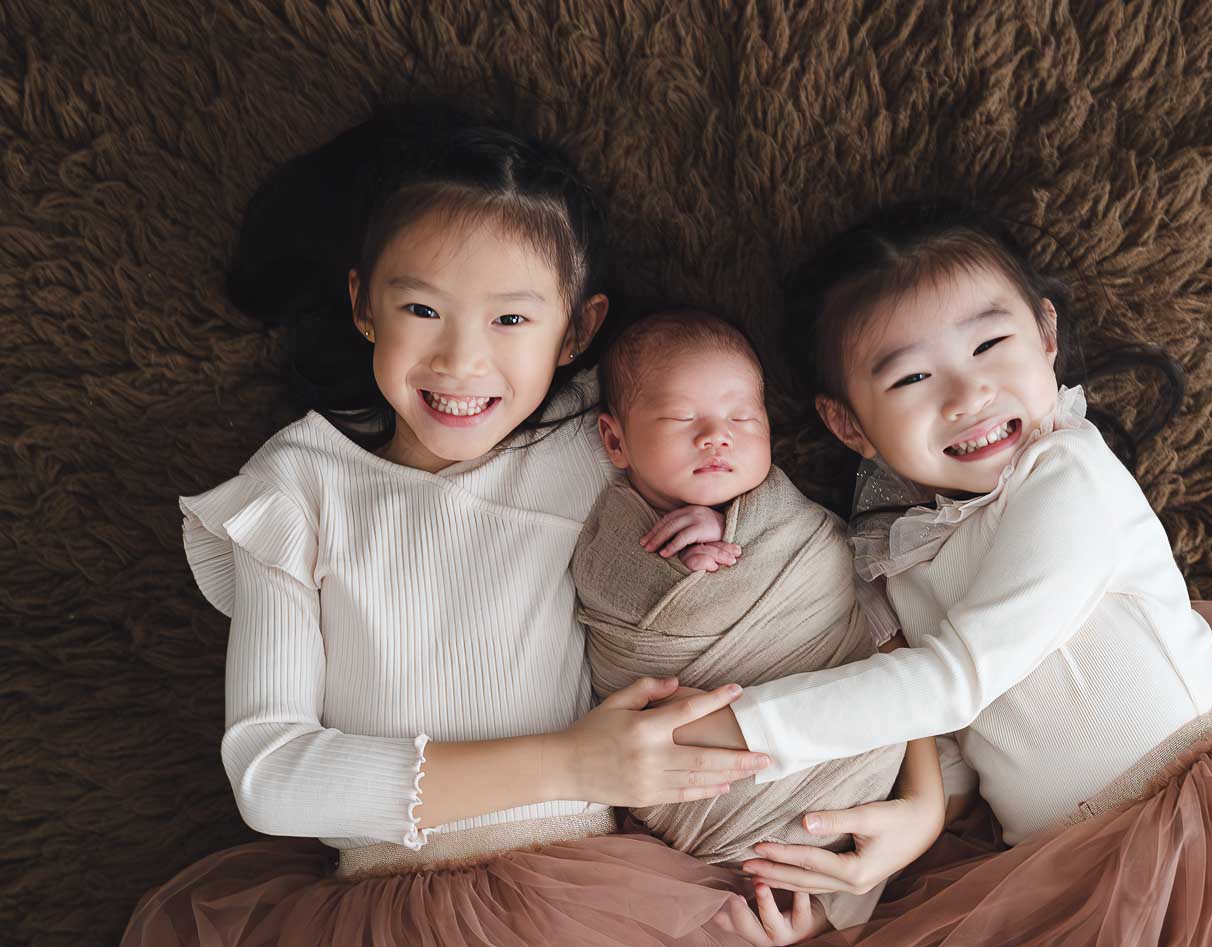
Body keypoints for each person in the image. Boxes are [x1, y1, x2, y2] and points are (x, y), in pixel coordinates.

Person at [120, 101, 796, 947]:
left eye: (511, 319)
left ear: (578, 330)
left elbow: (823, 584)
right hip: (378, 909)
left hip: (601, 894)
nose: (460, 361)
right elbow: (270, 775)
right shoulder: (297, 486)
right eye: (421, 310)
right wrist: (575, 761)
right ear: (364, 304)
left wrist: (910, 805)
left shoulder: (606, 440)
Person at [680, 199, 1212, 945]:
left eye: (990, 344)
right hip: (1053, 871)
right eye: (911, 378)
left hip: (1208, 826)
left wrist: (725, 729)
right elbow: (949, 744)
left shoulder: (1067, 476)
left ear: (1045, 337)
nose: (967, 395)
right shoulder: (892, 551)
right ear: (849, 424)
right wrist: (857, 891)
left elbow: (955, 680)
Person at [574, 309, 949, 939]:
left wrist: (733, 529)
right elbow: (612, 610)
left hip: (859, 780)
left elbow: (869, 623)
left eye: (742, 419)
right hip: (701, 817)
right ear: (615, 442)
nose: (716, 437)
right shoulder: (607, 538)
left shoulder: (797, 527)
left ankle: (819, 910)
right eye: (682, 418)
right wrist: (677, 574)